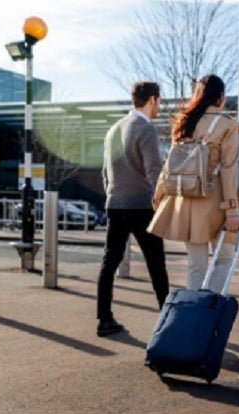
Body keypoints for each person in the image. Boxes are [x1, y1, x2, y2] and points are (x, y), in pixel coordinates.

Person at [148, 74, 239, 292]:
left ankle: (193, 316)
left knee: (195, 266)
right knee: (224, 258)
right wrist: (232, 211)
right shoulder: (227, 125)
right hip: (215, 200)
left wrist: (159, 196)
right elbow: (229, 169)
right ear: (220, 97)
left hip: (185, 201)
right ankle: (209, 308)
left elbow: (170, 164)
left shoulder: (184, 122)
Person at [96, 81, 170, 337]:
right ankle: (168, 321)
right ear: (152, 100)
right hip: (141, 205)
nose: (159, 106)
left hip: (115, 204)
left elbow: (105, 172)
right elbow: (154, 171)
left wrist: (113, 195)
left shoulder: (113, 130)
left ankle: (104, 319)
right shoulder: (146, 129)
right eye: (159, 101)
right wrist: (162, 201)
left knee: (110, 261)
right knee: (156, 264)